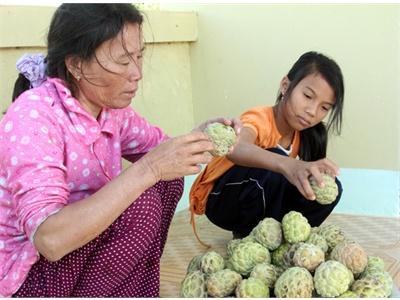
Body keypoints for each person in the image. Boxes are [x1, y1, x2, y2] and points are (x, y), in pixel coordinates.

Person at [0, 4, 240, 297]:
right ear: (76, 65)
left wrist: (201, 136)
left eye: (139, 57)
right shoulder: (33, 117)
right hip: (33, 274)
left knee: (167, 180)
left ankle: (131, 288)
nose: (137, 73)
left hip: (80, 250)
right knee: (142, 201)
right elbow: (49, 239)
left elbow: (163, 152)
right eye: (122, 60)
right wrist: (150, 169)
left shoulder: (110, 110)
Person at [190, 51, 344, 239]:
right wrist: (288, 164)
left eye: (324, 107)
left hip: (264, 195)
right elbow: (235, 147)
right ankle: (248, 236)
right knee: (273, 160)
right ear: (286, 86)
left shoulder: (309, 135)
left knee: (328, 185)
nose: (312, 111)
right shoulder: (259, 118)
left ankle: (287, 238)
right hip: (221, 199)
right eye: (307, 96)